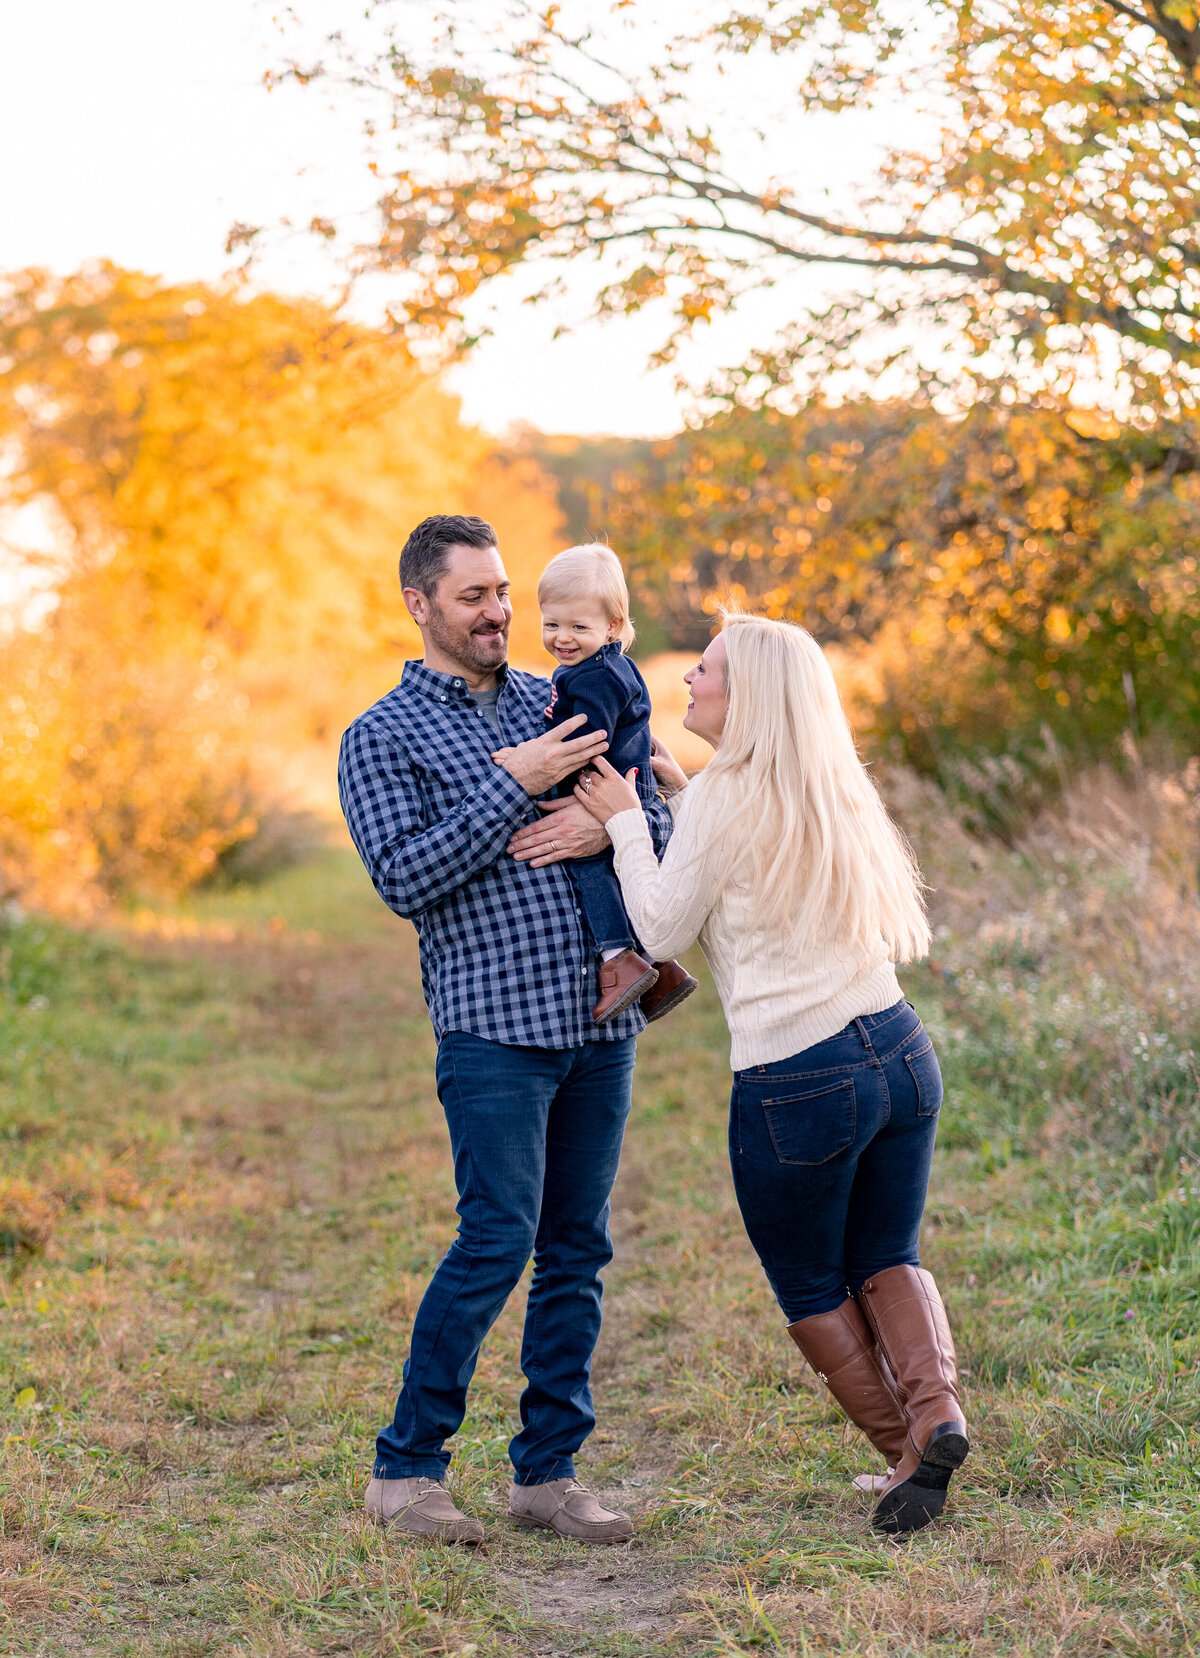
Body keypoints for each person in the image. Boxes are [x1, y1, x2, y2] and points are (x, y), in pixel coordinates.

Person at [573, 612, 969, 1536]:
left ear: (744, 695)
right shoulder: (828, 783)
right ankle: (938, 1413)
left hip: (799, 1080)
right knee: (888, 1254)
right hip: (899, 1050)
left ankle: (908, 1458)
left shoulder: (722, 801)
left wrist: (630, 823)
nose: (687, 686)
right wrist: (672, 797)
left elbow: (663, 931)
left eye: (702, 673)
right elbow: (728, 855)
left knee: (807, 1284)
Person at [338, 514, 673, 1545]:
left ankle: (547, 1472)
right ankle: (405, 1470)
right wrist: (512, 783)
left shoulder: (562, 694)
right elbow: (405, 876)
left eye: (503, 591)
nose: (498, 612)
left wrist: (604, 822)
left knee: (577, 1248)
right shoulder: (380, 735)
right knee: (497, 1239)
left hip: (597, 1023)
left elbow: (655, 812)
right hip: (492, 1032)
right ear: (421, 603)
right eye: (473, 595)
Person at [529, 543, 697, 1024]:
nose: (563, 637)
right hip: (627, 783)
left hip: (606, 787)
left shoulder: (594, 678)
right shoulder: (605, 666)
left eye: (578, 627)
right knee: (621, 873)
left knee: (590, 867)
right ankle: (661, 969)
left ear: (613, 627)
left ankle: (618, 959)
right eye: (552, 624)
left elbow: (585, 737)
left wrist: (531, 757)